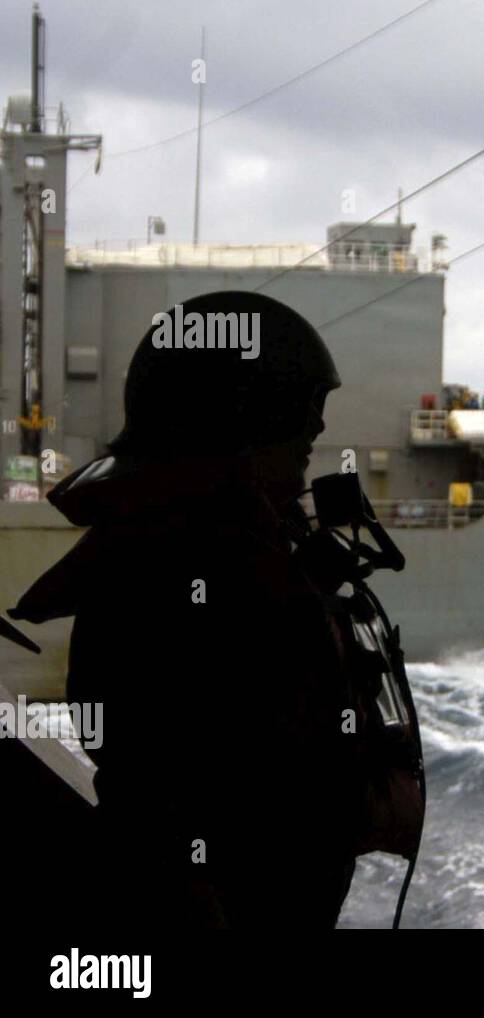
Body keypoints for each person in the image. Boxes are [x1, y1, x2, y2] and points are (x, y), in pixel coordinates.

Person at [11, 291, 416, 930]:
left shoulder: (186, 547)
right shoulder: (211, 571)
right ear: (243, 414)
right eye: (304, 405)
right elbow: (245, 785)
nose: (317, 427)